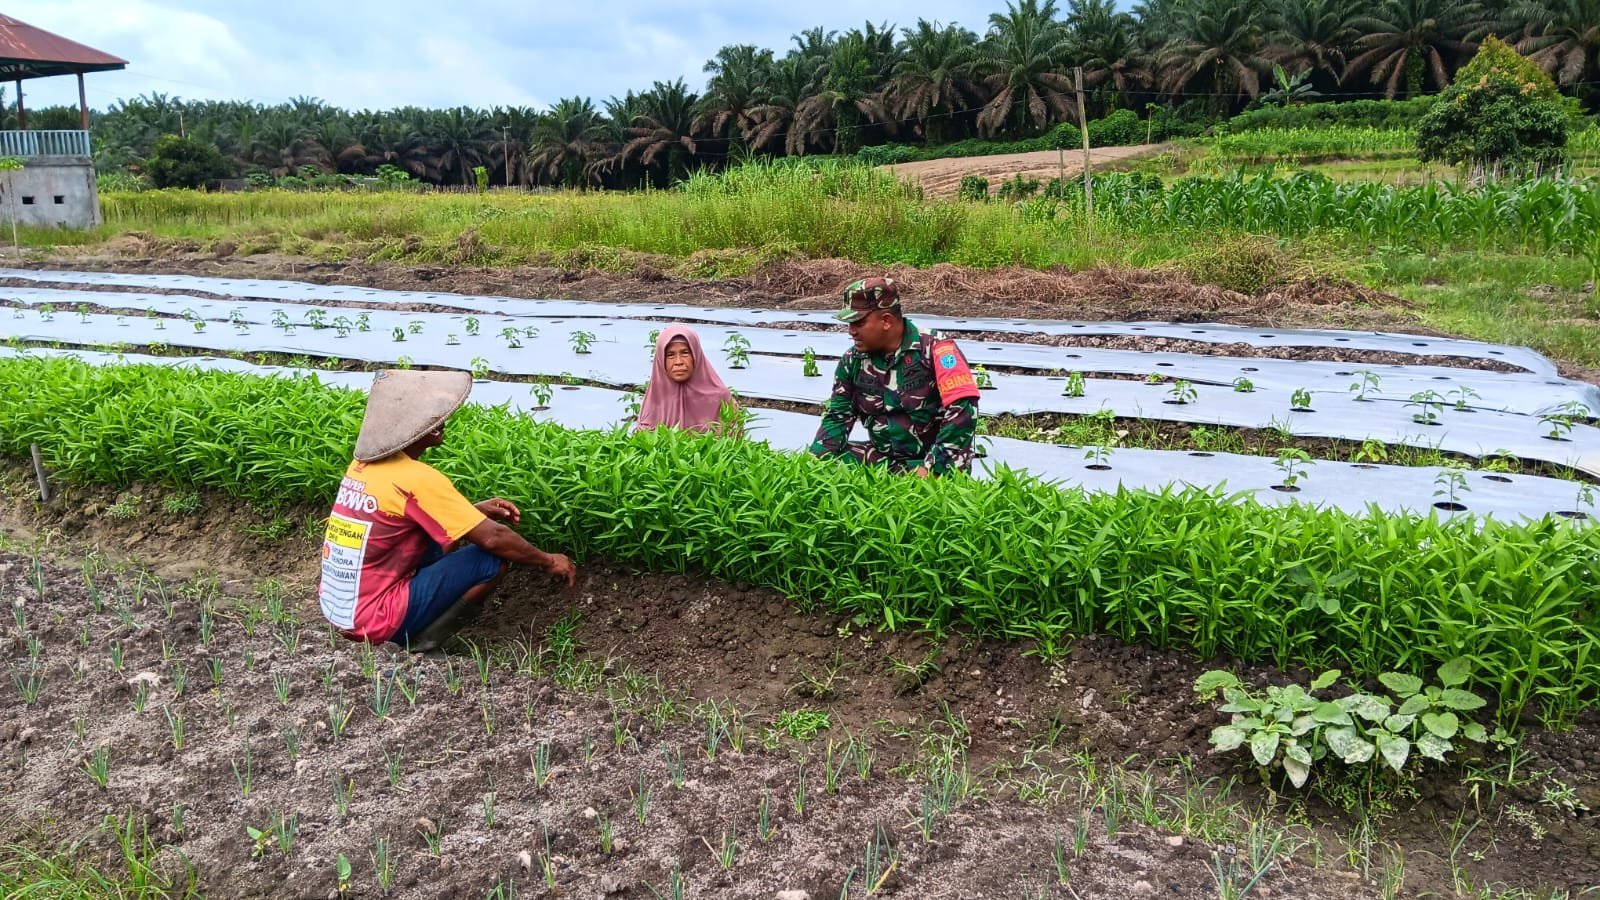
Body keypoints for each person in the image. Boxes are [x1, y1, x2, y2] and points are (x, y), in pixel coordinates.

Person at [318, 369, 577, 652]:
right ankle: (421, 642)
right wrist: (548, 560)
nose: (439, 420)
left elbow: (402, 519)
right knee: (489, 561)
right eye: (426, 417)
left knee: (438, 536)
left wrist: (472, 512)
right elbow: (494, 538)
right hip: (375, 621)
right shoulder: (415, 478)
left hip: (339, 610)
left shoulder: (361, 467)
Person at [809, 276, 981, 476]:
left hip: (933, 458)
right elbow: (838, 416)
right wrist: (814, 462)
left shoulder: (936, 348)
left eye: (858, 323)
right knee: (828, 459)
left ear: (886, 321)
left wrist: (932, 469)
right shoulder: (852, 360)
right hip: (883, 459)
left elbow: (963, 409)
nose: (851, 331)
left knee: (943, 475)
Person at [636, 325, 739, 433]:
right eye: (670, 355)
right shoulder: (654, 400)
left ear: (696, 355)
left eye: (685, 353)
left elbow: (734, 437)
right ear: (661, 360)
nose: (678, 362)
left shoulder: (720, 397)